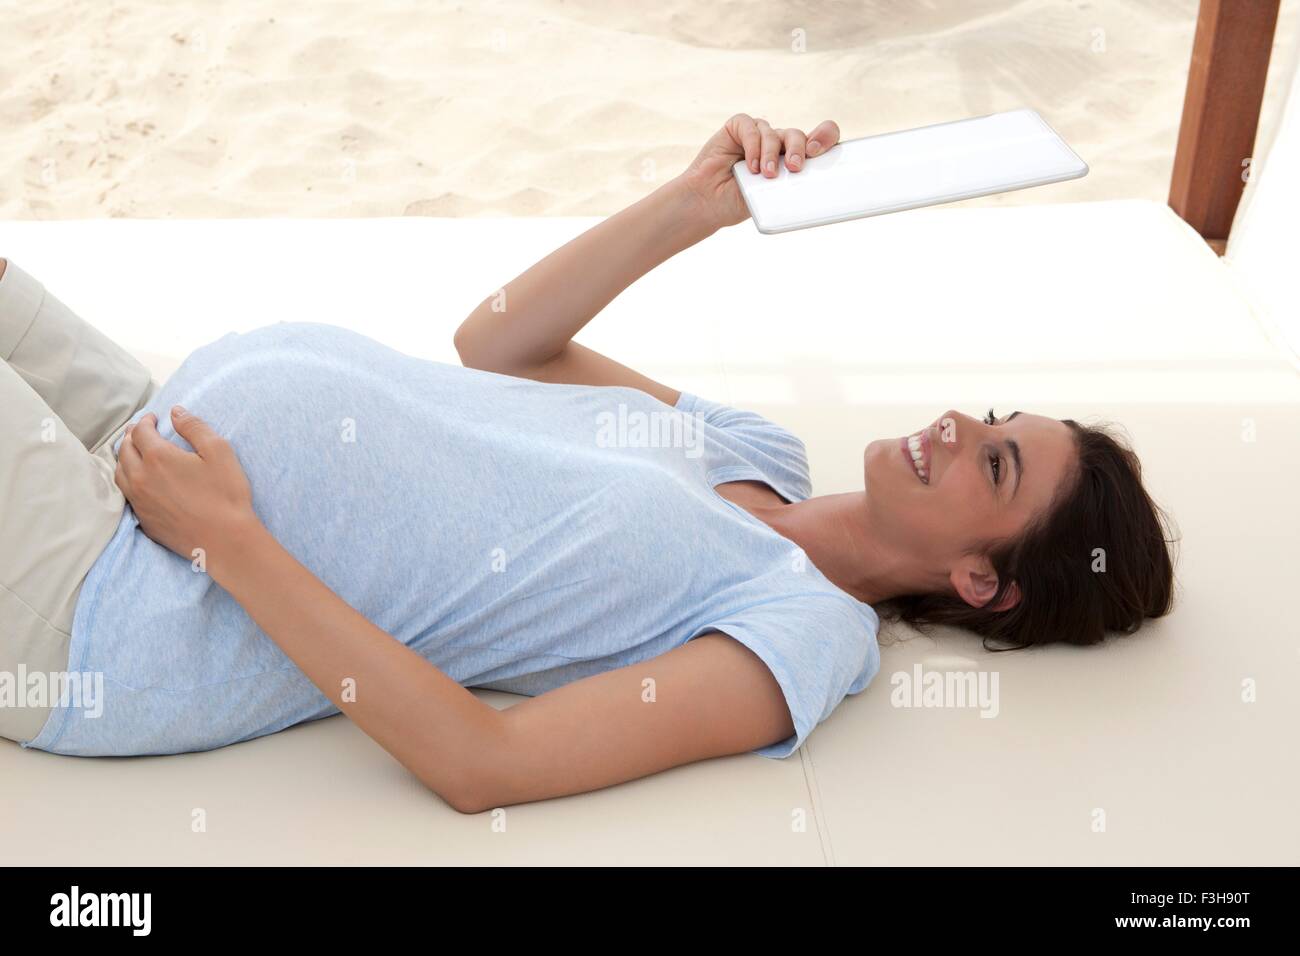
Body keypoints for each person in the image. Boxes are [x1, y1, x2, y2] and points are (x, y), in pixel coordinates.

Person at [0, 115, 1175, 813]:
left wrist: (231, 544)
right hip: (148, 442)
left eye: (998, 466)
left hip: (121, 608)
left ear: (984, 579)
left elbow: (482, 761)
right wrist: (692, 204)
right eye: (991, 416)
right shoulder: (754, 449)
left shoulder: (803, 633)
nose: (957, 425)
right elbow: (499, 340)